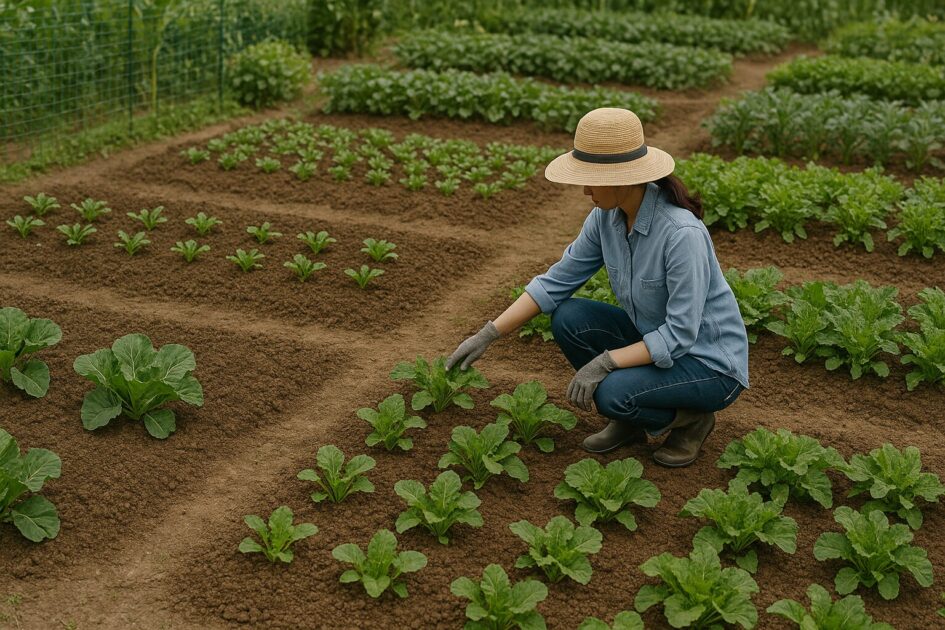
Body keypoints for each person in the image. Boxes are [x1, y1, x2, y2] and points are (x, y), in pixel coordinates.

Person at [445, 107, 749, 468]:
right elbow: (556, 283)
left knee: (611, 393)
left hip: (708, 364)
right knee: (569, 316)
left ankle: (691, 420)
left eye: (591, 178)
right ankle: (633, 421)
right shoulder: (605, 218)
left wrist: (606, 362)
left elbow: (681, 334)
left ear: (622, 178)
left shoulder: (681, 235)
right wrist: (488, 334)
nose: (585, 189)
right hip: (656, 342)